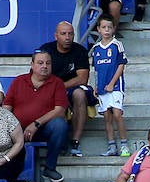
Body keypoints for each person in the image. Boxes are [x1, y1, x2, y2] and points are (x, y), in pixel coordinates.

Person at [5, 50, 69, 182]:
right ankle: (17, 177)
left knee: (60, 124)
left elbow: (60, 110)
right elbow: (7, 107)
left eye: (48, 63)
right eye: (40, 63)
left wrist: (36, 124)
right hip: (19, 129)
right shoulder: (19, 81)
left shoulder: (57, 83)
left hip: (44, 129)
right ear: (32, 65)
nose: (44, 66)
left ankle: (50, 168)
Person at [38, 21, 92, 158]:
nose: (67, 37)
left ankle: (75, 141)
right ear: (56, 36)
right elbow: (37, 75)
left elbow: (82, 79)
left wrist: (60, 86)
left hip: (71, 89)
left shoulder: (80, 51)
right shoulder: (46, 50)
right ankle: (59, 141)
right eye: (63, 34)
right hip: (50, 89)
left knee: (80, 94)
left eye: (70, 34)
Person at [91, 18, 129, 157]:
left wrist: (112, 83)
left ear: (113, 29)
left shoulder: (117, 45)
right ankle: (112, 147)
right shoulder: (96, 49)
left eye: (109, 27)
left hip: (116, 87)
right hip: (102, 88)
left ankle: (124, 145)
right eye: (104, 27)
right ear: (98, 29)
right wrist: (96, 86)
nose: (106, 30)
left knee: (117, 114)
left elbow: (121, 65)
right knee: (107, 117)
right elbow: (96, 70)